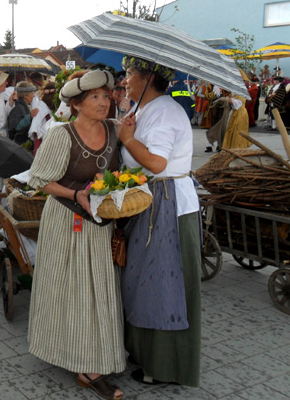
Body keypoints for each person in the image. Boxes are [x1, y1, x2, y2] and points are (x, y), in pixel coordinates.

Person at [27, 69, 124, 400]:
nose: (103, 102)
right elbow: (39, 180)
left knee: (97, 290)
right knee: (71, 288)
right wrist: (75, 194)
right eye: (95, 97)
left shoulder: (114, 130)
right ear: (77, 104)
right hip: (66, 220)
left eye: (106, 96)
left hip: (99, 224)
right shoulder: (61, 135)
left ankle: (93, 360)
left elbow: (118, 173)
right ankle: (85, 367)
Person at [118, 56, 201, 387]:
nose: (125, 80)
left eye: (129, 74)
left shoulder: (166, 111)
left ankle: (167, 366)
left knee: (164, 287)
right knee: (143, 281)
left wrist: (126, 139)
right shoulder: (144, 110)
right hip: (152, 202)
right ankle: (146, 354)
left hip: (169, 205)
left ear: (148, 78)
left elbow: (155, 161)